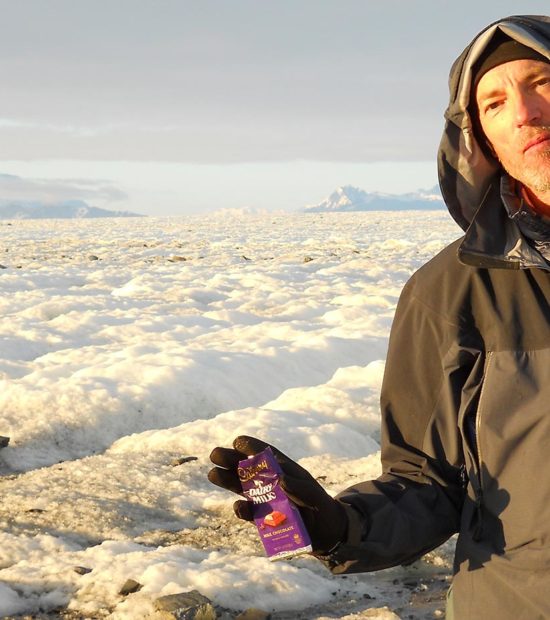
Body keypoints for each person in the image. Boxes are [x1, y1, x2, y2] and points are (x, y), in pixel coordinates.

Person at [209, 14, 550, 618]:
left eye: (542, 81)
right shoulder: (450, 291)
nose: (523, 112)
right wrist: (339, 525)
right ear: (480, 139)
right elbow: (428, 479)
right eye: (494, 102)